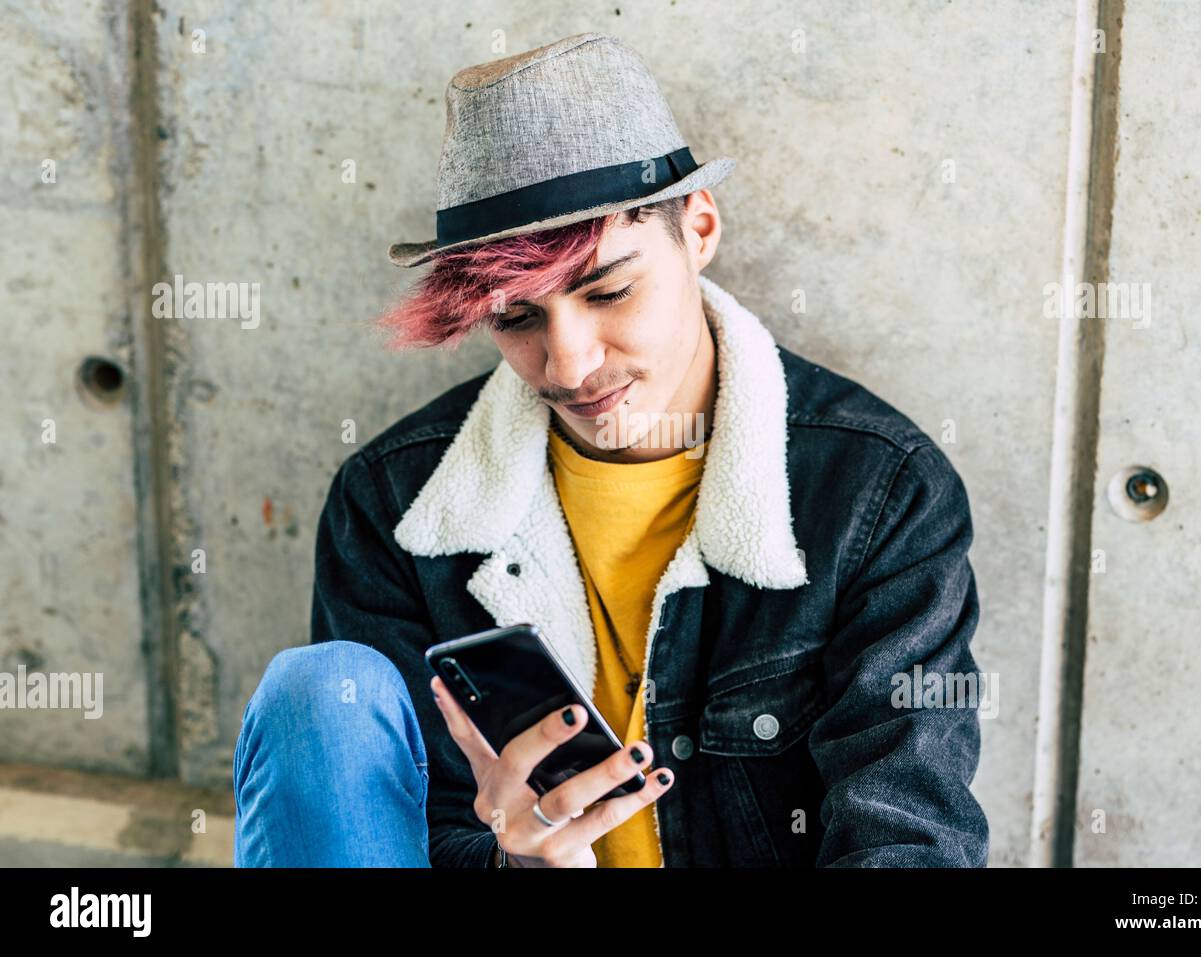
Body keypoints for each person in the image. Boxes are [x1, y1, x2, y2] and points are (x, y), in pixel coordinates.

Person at [233, 32, 989, 868]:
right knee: (315, 697)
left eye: (610, 291)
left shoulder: (876, 490)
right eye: (516, 317)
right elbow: (392, 831)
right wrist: (513, 862)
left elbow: (908, 837)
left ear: (698, 229)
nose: (570, 364)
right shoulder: (394, 501)